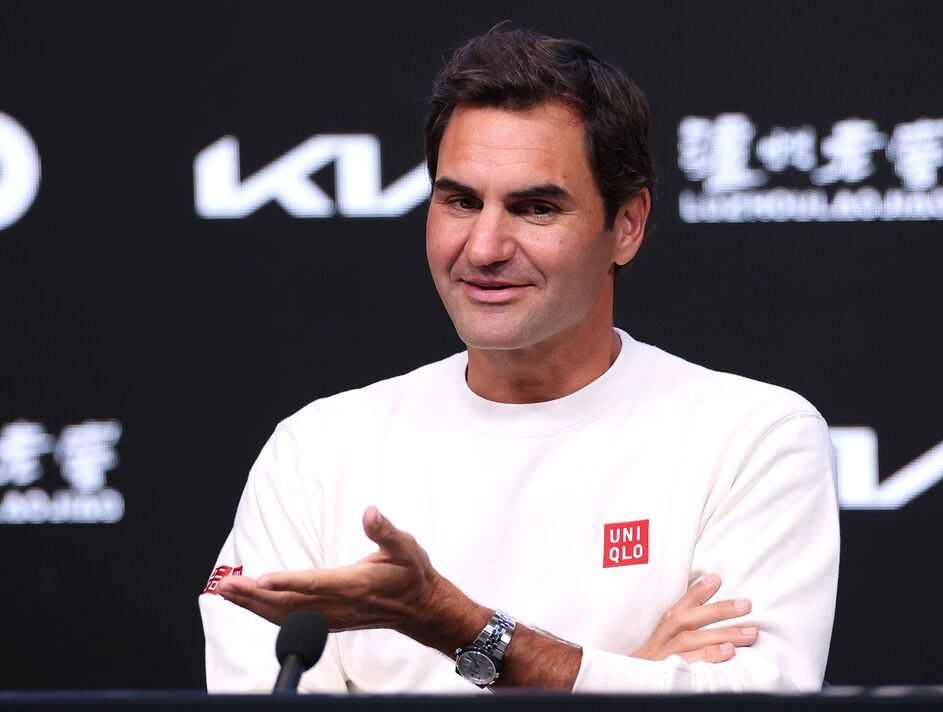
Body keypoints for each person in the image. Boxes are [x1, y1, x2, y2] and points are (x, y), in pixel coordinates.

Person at [199, 25, 839, 694]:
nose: (483, 248)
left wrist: (455, 624)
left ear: (626, 224)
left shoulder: (752, 436)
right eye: (460, 202)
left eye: (535, 208)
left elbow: (754, 698)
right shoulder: (314, 452)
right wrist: (636, 676)